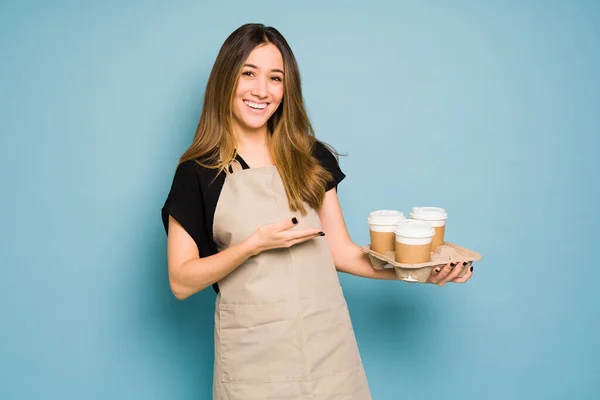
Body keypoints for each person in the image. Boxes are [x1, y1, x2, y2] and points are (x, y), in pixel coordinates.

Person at [161, 23, 473, 400]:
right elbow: (181, 281)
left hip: (327, 351)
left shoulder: (310, 157)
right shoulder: (198, 172)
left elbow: (340, 251)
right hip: (253, 359)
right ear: (226, 78)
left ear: (286, 88)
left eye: (275, 78)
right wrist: (253, 245)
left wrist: (416, 271)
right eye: (248, 73)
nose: (261, 90)